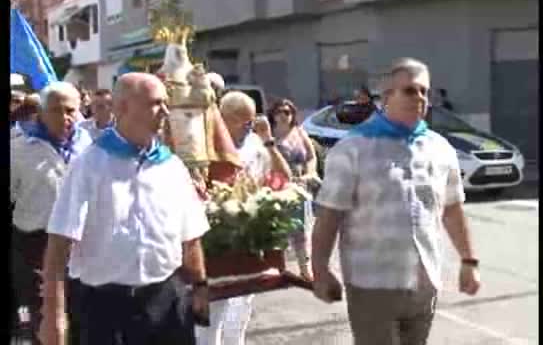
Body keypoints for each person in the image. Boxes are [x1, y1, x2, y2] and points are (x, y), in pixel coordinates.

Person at [311, 58, 481, 345]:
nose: (420, 98)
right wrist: (320, 269)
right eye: (410, 91)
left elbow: (452, 209)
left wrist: (469, 260)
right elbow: (330, 216)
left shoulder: (439, 148)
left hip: (425, 282)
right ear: (386, 97)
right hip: (372, 283)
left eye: (424, 92)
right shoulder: (353, 149)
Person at [39, 73, 211, 345]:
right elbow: (59, 245)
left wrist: (200, 285)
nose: (165, 111)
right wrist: (54, 316)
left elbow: (191, 236)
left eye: (165, 103)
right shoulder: (90, 165)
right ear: (122, 108)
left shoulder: (171, 166)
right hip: (105, 308)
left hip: (167, 300)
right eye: (155, 103)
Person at [196, 91, 292, 345]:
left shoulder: (254, 145)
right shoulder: (205, 146)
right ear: (224, 118)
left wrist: (268, 141)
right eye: (243, 120)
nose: (249, 126)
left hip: (247, 239)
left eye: (251, 120)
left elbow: (282, 177)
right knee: (214, 312)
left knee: (241, 308)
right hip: (215, 242)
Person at [10, 82, 93, 344]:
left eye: (70, 110)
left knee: (80, 318)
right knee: (44, 320)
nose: (65, 117)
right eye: (57, 110)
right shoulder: (19, 149)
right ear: (42, 113)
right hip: (36, 246)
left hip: (81, 244)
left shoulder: (88, 146)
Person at [268, 98, 319, 281]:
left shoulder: (299, 132)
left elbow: (311, 156)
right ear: (272, 115)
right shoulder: (269, 135)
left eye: (287, 112)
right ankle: (277, 267)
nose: (283, 116)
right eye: (279, 112)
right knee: (277, 229)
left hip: (300, 186)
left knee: (302, 228)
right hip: (276, 186)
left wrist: (310, 172)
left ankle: (305, 268)